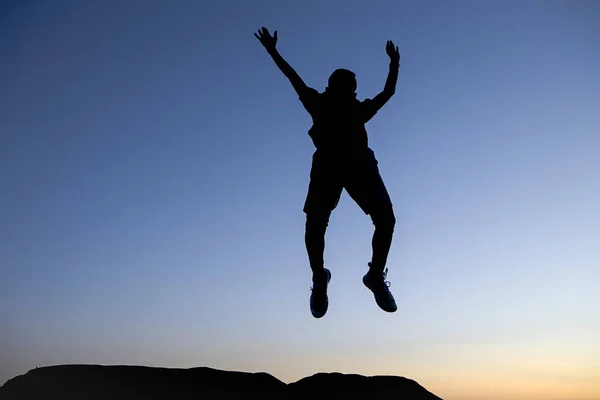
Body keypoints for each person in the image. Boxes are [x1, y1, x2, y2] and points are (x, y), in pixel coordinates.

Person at [255, 27, 400, 318]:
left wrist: (394, 64)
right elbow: (292, 78)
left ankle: (373, 277)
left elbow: (388, 93)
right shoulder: (319, 104)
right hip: (329, 167)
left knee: (385, 218)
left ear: (352, 91)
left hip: (359, 165)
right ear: (332, 87)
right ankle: (320, 277)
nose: (347, 90)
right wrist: (272, 51)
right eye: (342, 85)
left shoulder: (356, 110)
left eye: (350, 86)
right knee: (316, 223)